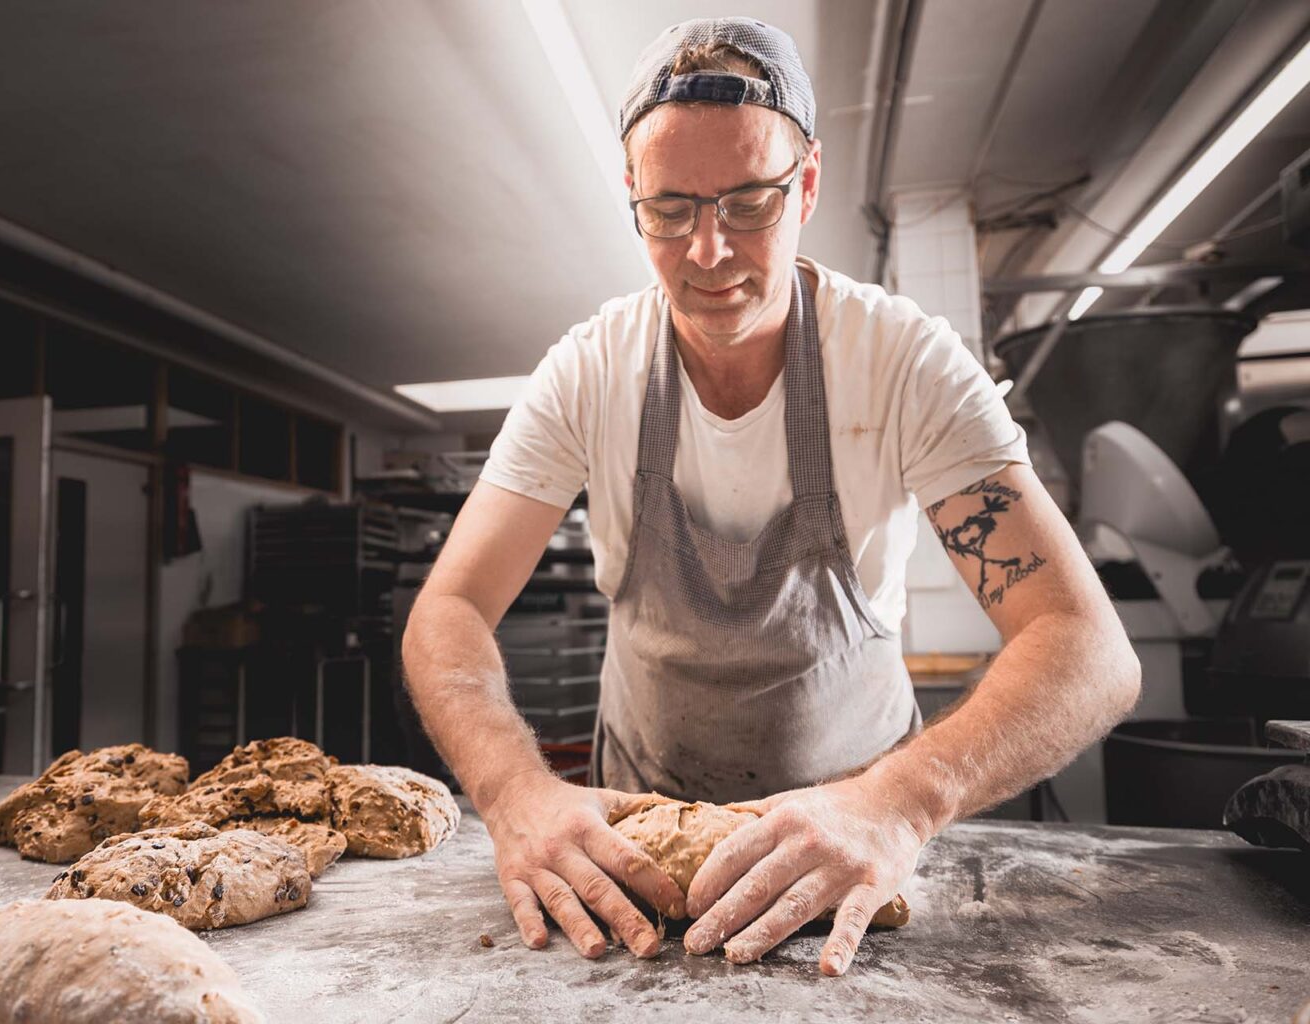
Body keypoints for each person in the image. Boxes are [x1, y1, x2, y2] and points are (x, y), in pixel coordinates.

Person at [401, 16, 1139, 975]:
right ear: (632, 196)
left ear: (810, 184)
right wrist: (515, 794)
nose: (708, 251)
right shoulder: (588, 374)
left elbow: (1087, 646)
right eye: (670, 210)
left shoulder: (903, 362)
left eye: (749, 203)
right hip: (641, 857)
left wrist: (901, 803)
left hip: (856, 855)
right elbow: (449, 609)